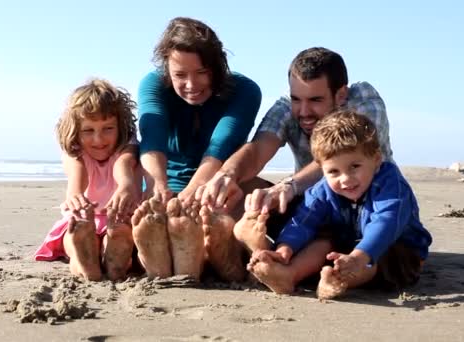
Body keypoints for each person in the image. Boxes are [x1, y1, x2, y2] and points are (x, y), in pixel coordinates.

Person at [196, 47, 394, 246]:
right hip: (312, 206)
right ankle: (236, 248)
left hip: (370, 206)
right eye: (297, 99)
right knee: (240, 189)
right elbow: (258, 149)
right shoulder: (286, 107)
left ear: (340, 95)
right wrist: (228, 173)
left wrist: (290, 185)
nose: (304, 111)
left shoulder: (363, 100)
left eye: (316, 100)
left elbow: (342, 157)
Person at [246, 110, 432, 299]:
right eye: (334, 171)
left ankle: (338, 281)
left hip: (398, 254)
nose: (345, 179)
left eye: (355, 167)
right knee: (322, 242)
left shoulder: (389, 183)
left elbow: (386, 221)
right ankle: (289, 275)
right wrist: (284, 249)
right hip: (347, 248)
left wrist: (360, 256)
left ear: (376, 160)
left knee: (372, 257)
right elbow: (303, 220)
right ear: (322, 169)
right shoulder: (324, 189)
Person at [131, 17, 262, 282]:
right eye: (180, 75)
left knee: (251, 206)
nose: (191, 85)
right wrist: (158, 187)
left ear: (218, 66)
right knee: (152, 220)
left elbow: (220, 146)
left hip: (220, 187)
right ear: (167, 70)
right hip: (168, 187)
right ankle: (189, 254)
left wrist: (189, 197)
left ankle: (197, 252)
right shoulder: (152, 84)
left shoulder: (244, 90)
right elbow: (152, 136)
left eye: (202, 72)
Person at [34, 78, 141, 281]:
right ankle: (84, 260)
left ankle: (114, 259)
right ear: (75, 131)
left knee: (120, 233)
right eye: (88, 130)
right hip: (83, 219)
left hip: (118, 219)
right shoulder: (75, 153)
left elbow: (124, 164)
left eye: (108, 129)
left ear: (121, 126)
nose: (98, 140)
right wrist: (74, 194)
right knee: (74, 235)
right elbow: (77, 173)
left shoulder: (127, 147)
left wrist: (126, 184)